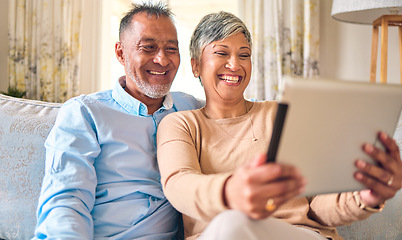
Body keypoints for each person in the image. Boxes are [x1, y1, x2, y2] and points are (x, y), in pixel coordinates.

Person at [156, 11, 402, 240]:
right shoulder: (181, 124)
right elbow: (179, 185)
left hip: (297, 234)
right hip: (225, 234)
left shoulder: (280, 114)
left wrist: (365, 196)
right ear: (196, 65)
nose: (235, 64)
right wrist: (232, 191)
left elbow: (317, 206)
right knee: (231, 222)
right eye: (221, 53)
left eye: (244, 55)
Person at [33, 2, 203, 239]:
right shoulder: (85, 113)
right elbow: (66, 200)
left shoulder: (191, 108)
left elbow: (243, 115)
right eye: (148, 47)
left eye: (171, 49)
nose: (163, 59)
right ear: (121, 53)